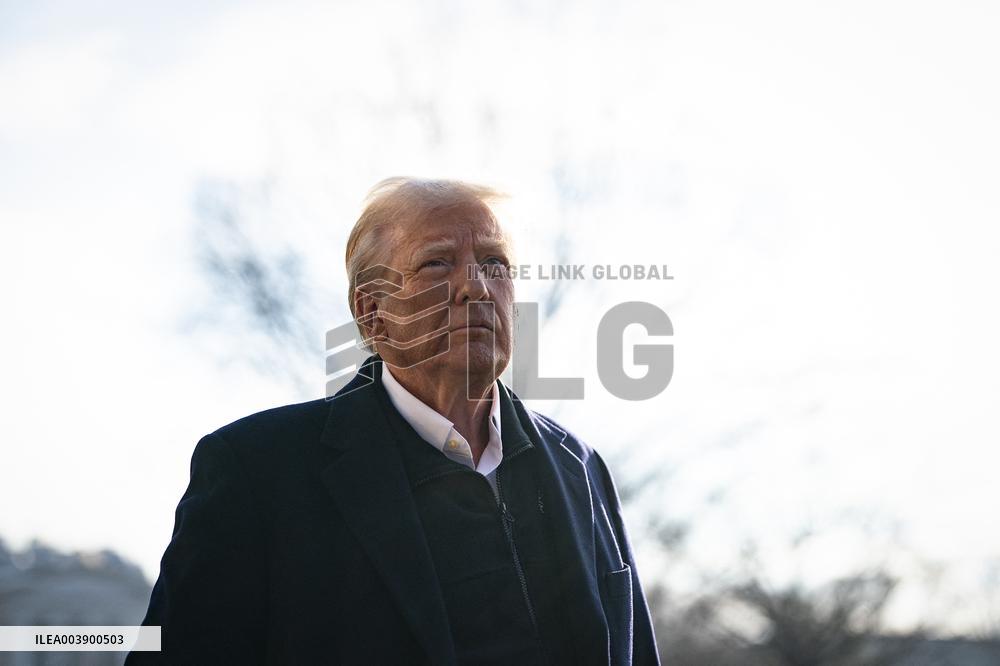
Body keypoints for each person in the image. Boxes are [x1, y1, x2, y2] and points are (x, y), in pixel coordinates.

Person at [127, 178, 660, 665]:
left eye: (495, 263)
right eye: (437, 264)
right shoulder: (257, 471)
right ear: (372, 313)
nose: (476, 287)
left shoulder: (580, 467)